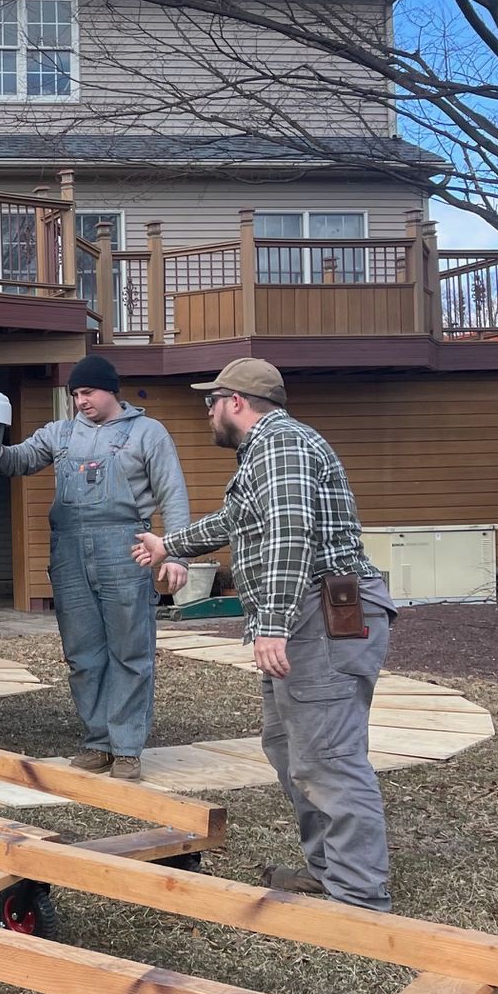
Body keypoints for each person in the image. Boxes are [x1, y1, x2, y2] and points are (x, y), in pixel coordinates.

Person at [131, 358, 396, 911]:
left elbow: (289, 532)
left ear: (235, 402)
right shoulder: (268, 453)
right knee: (290, 748)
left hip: (318, 615)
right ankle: (329, 872)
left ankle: (357, 899)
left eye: (211, 403)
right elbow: (236, 520)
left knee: (327, 755)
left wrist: (271, 624)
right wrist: (169, 545)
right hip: (309, 614)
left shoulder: (280, 444)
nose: (207, 413)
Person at [0, 355, 190, 780]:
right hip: (68, 552)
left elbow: (173, 494)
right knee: (83, 654)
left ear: (110, 390)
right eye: (75, 395)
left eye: (88, 393)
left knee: (129, 650)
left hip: (126, 549)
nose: (80, 401)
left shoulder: (147, 433)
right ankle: (98, 741)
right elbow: (16, 460)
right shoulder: (60, 433)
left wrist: (175, 554)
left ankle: (126, 749)